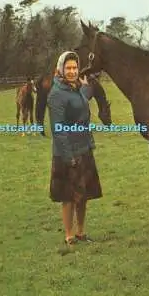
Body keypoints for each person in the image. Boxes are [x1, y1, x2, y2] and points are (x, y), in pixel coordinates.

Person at [47, 50, 103, 247]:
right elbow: (58, 129)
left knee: (83, 194)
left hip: (84, 148)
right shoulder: (56, 95)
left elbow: (81, 99)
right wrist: (68, 156)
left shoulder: (77, 89)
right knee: (69, 197)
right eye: (68, 68)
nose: (72, 71)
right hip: (67, 152)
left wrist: (88, 87)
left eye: (74, 68)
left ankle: (81, 232)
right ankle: (69, 235)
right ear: (61, 69)